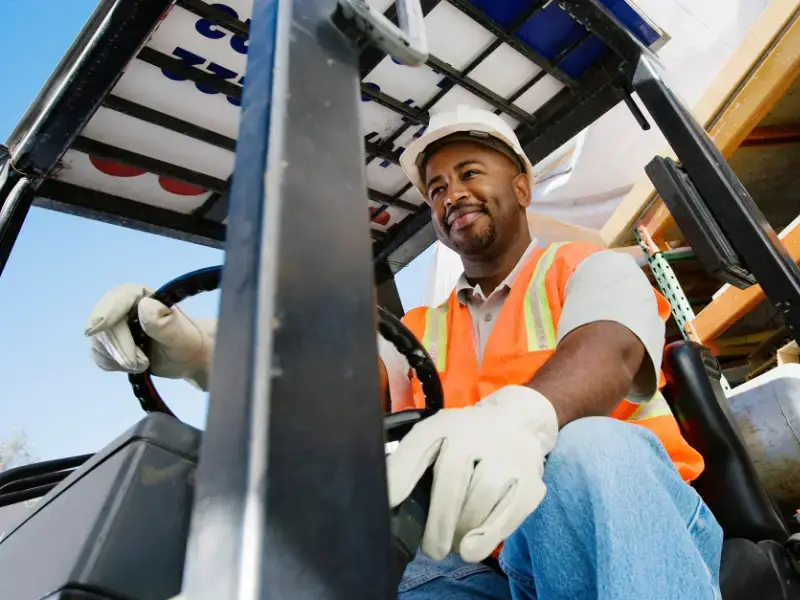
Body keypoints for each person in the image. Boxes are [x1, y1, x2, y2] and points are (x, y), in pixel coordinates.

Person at [85, 105, 722, 599]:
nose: (452, 195)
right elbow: (328, 385)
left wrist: (521, 420)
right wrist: (201, 353)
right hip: (482, 559)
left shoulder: (591, 267)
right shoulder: (415, 328)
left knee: (589, 449)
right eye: (438, 188)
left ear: (523, 187)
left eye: (470, 173)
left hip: (628, 528)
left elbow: (607, 351)